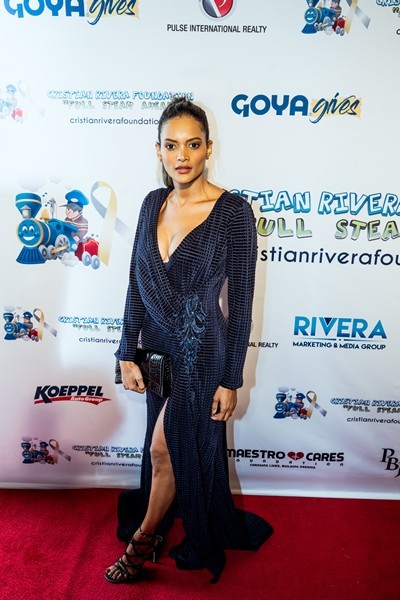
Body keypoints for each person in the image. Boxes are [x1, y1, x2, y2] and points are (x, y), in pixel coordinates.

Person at [105, 97, 273, 585]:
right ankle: (161, 521)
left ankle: (142, 542)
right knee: (166, 450)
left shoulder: (233, 213)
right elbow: (136, 283)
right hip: (157, 352)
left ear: (208, 149)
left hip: (203, 357)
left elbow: (241, 304)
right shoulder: (150, 205)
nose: (182, 156)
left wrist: (231, 379)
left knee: (163, 451)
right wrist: (126, 352)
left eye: (193, 145)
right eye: (172, 145)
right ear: (158, 150)